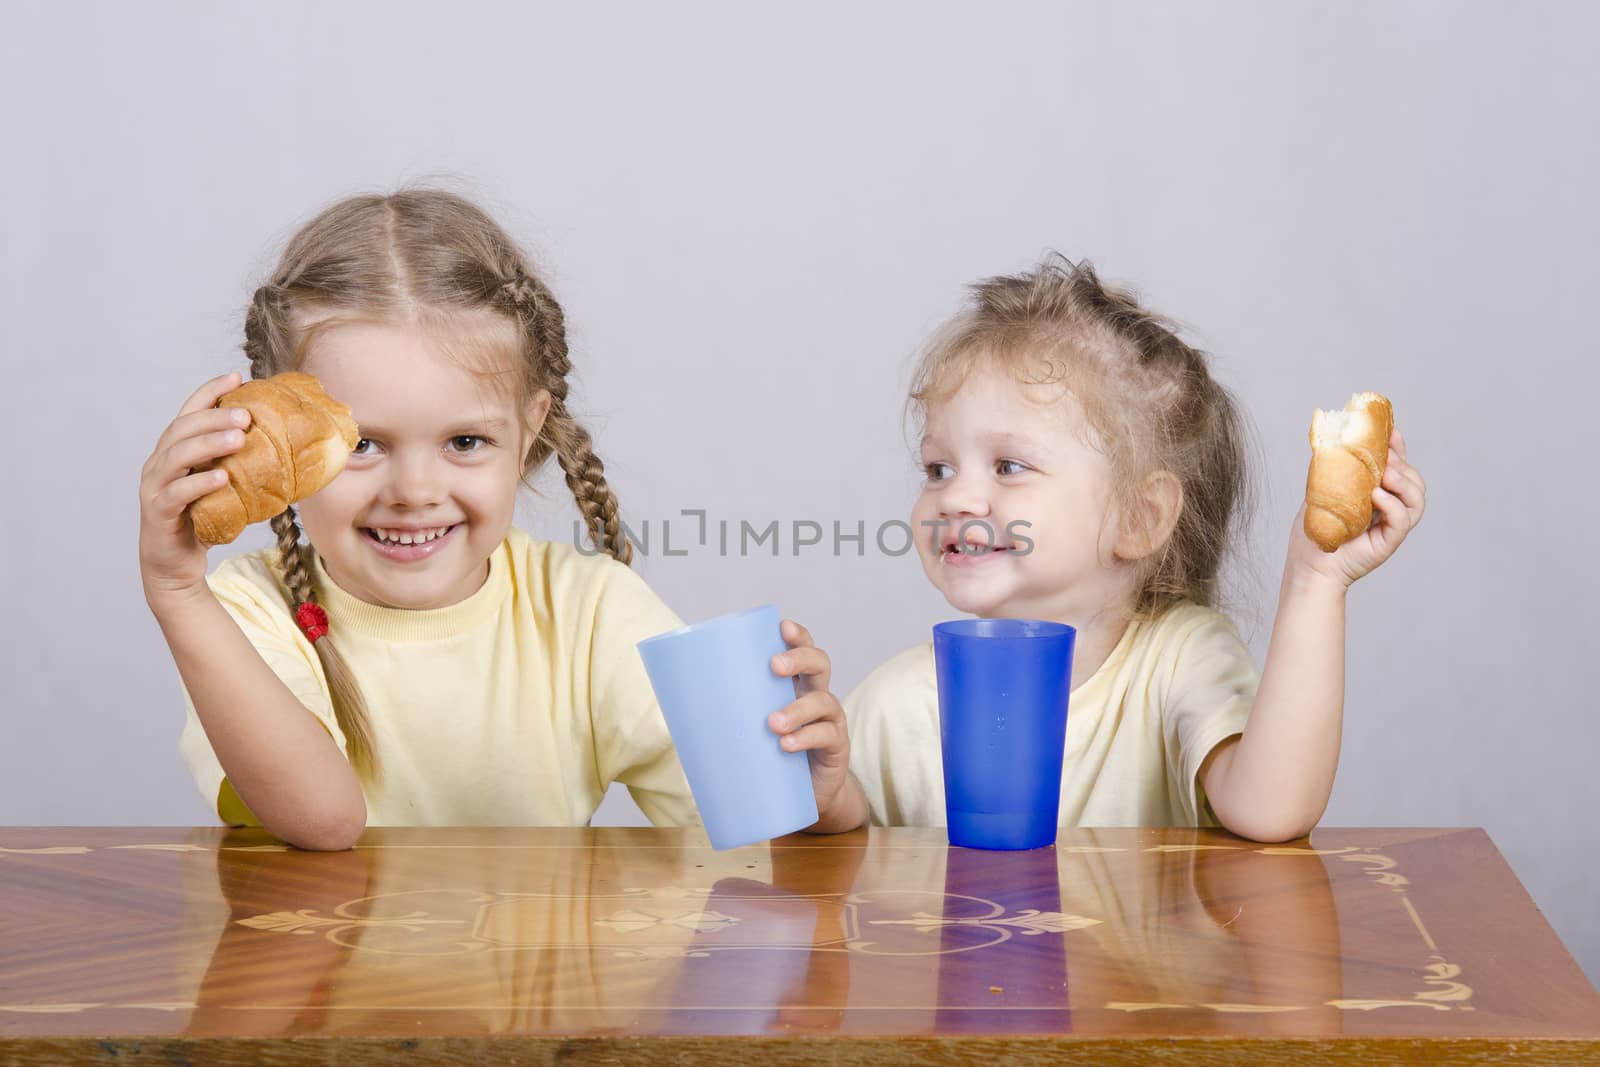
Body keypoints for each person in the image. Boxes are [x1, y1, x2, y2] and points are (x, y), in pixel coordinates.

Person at [138, 189, 865, 850]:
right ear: (288, 447)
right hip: (326, 990)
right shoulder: (239, 614)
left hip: (534, 995)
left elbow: (762, 835)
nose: (414, 490)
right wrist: (177, 592)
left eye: (464, 441)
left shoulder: (585, 612)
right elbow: (325, 819)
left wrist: (820, 793)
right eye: (362, 444)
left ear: (529, 432)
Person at [843, 254, 1426, 842]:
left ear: (1140, 518)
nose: (956, 498)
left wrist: (1314, 581)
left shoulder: (1179, 663)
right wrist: (819, 789)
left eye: (1009, 466)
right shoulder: (895, 703)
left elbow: (1271, 810)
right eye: (938, 468)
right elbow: (819, 850)